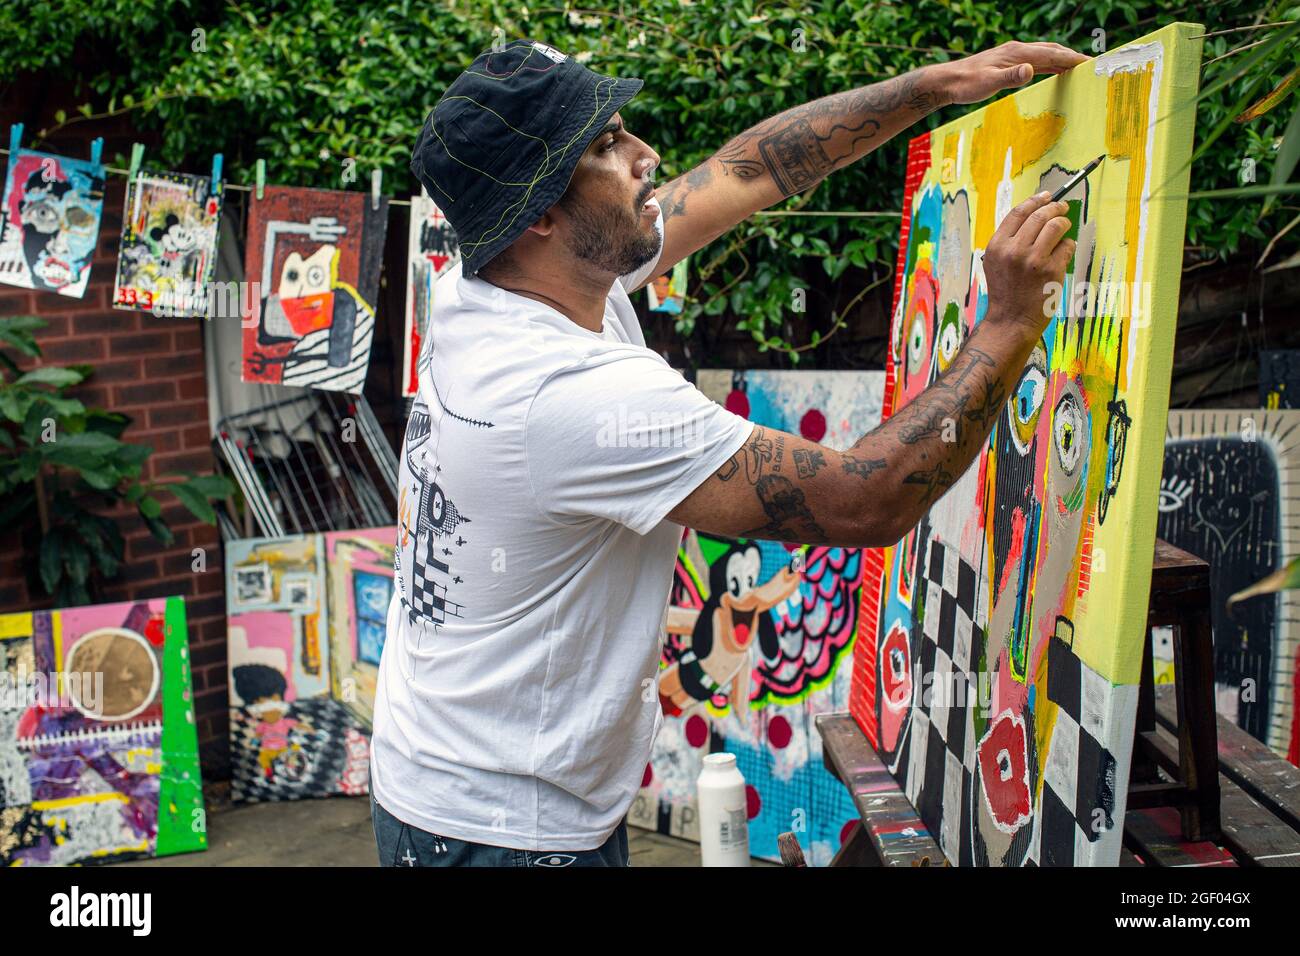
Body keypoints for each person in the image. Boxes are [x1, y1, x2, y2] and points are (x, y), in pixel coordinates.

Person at [371, 36, 1088, 867]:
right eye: (606, 147)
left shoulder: (499, 281)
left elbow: (748, 171)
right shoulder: (569, 396)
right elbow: (869, 497)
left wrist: (933, 86)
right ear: (541, 215)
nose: (648, 157)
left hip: (457, 785)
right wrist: (1005, 325)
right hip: (497, 832)